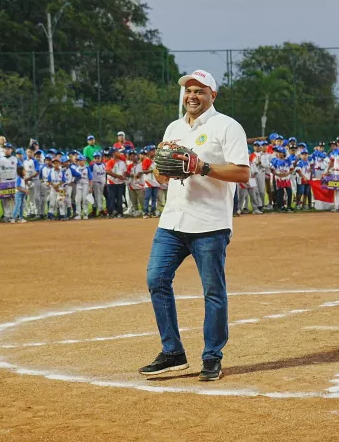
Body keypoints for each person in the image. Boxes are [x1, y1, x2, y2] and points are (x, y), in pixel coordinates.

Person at [138, 69, 249, 382]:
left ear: (213, 95)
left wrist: (203, 167)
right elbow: (162, 173)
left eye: (200, 91)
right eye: (188, 90)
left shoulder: (227, 126)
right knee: (156, 279)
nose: (192, 96)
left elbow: (242, 173)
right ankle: (172, 352)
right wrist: (159, 170)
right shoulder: (174, 128)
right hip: (173, 221)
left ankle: (212, 357)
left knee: (213, 292)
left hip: (209, 223)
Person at [0, 143, 18, 222]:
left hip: (13, 180)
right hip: (4, 180)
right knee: (5, 199)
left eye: (8, 148)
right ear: (3, 150)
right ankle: (7, 215)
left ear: (11, 150)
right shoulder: (0, 160)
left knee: (14, 198)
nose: (7, 150)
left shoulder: (15, 159)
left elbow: (19, 169)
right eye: (5, 148)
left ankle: (14, 215)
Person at [106, 149, 127, 218]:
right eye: (117, 152)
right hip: (112, 183)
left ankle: (120, 213)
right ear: (113, 153)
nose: (119, 153)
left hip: (120, 183)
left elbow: (125, 171)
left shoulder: (122, 162)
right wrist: (118, 176)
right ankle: (111, 213)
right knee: (111, 198)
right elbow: (108, 171)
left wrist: (124, 177)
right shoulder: (110, 162)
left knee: (119, 199)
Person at [74, 155, 93, 220]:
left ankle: (85, 213)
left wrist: (90, 187)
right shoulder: (76, 168)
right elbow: (74, 178)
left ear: (84, 161)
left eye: (80, 160)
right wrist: (75, 179)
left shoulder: (87, 168)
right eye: (78, 160)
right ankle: (78, 214)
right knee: (78, 199)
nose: (79, 161)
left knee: (85, 199)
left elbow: (90, 178)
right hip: (78, 185)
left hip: (85, 185)